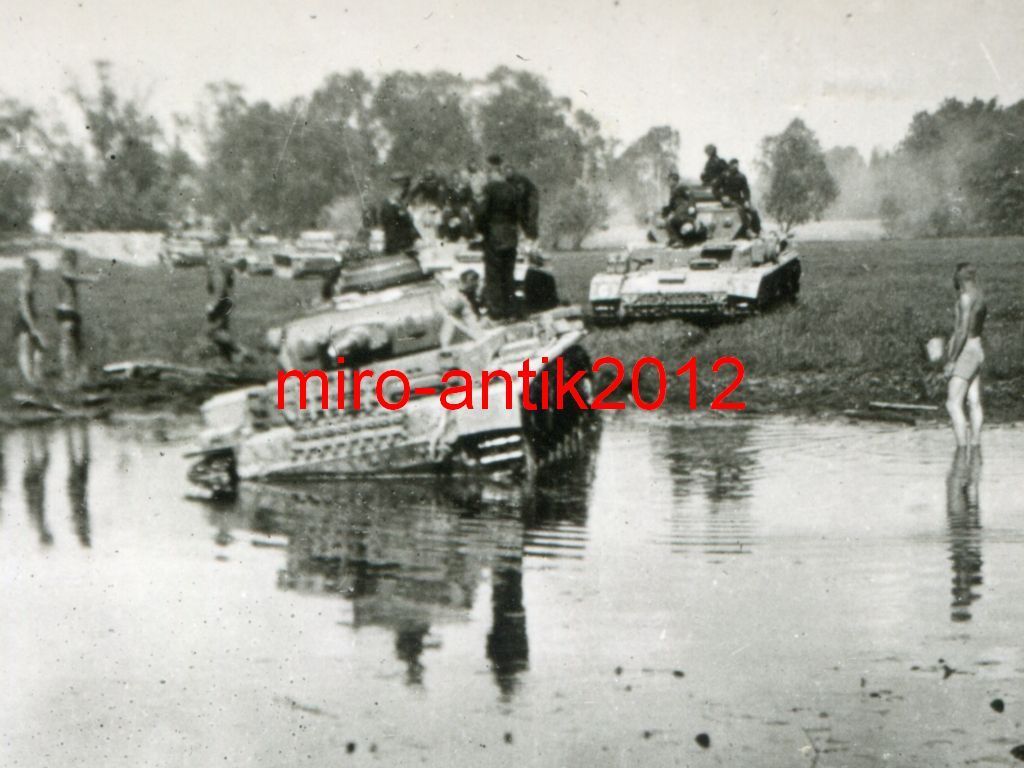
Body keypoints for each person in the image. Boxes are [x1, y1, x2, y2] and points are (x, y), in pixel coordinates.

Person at [944, 262, 986, 447]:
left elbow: (962, 331)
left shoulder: (965, 298)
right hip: (977, 347)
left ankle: (961, 450)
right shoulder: (981, 297)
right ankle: (975, 446)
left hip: (966, 351)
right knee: (974, 400)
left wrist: (952, 360)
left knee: (952, 403)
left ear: (959, 277)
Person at [475, 154, 521, 320]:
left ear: (489, 169)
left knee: (493, 275)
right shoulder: (512, 189)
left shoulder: (489, 189)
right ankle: (512, 311)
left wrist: (480, 229)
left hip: (494, 236)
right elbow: (518, 214)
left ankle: (497, 313)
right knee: (508, 274)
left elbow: (481, 213)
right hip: (510, 235)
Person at [56, 248, 97, 389]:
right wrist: (90, 278)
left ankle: (80, 376)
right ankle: (68, 377)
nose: (73, 264)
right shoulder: (65, 271)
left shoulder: (67, 271)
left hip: (72, 312)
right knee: (68, 344)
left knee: (78, 345)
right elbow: (70, 275)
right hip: (66, 312)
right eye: (72, 260)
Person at [15, 256, 47, 388]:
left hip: (29, 317)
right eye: (35, 270)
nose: (37, 273)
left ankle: (35, 376)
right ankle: (30, 378)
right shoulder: (25, 283)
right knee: (27, 348)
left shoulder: (27, 282)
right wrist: (32, 326)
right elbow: (24, 307)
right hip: (25, 319)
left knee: (39, 347)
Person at [379, 173, 421, 255]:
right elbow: (391, 229)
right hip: (398, 248)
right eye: (403, 188)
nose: (404, 191)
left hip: (407, 246)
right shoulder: (389, 204)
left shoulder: (400, 202)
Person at [504, 163, 540, 241]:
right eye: (506, 172)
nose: (508, 174)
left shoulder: (519, 179)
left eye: (509, 172)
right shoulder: (506, 181)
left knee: (529, 219)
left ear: (513, 172)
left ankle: (533, 239)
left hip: (530, 199)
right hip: (521, 201)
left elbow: (521, 193)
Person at [661, 171, 693, 244]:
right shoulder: (672, 190)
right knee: (667, 221)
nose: (668, 182)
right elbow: (672, 204)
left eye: (669, 180)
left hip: (683, 209)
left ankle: (678, 240)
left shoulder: (681, 187)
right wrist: (666, 210)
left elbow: (690, 196)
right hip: (677, 209)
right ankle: (673, 238)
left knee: (674, 220)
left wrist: (691, 206)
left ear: (674, 181)